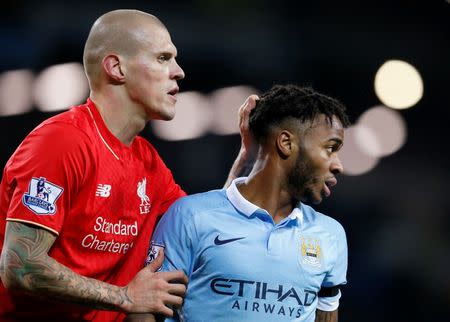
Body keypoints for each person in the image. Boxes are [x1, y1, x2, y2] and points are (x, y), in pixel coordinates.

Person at [0, 9, 257, 322]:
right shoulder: (62, 142)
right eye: (163, 58)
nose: (179, 72)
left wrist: (250, 157)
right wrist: (124, 297)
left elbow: (207, 227)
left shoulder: (148, 161)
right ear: (116, 67)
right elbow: (19, 265)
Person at [143, 84, 351, 322]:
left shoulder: (330, 234)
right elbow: (145, 310)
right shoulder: (190, 216)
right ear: (286, 143)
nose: (338, 165)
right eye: (330, 148)